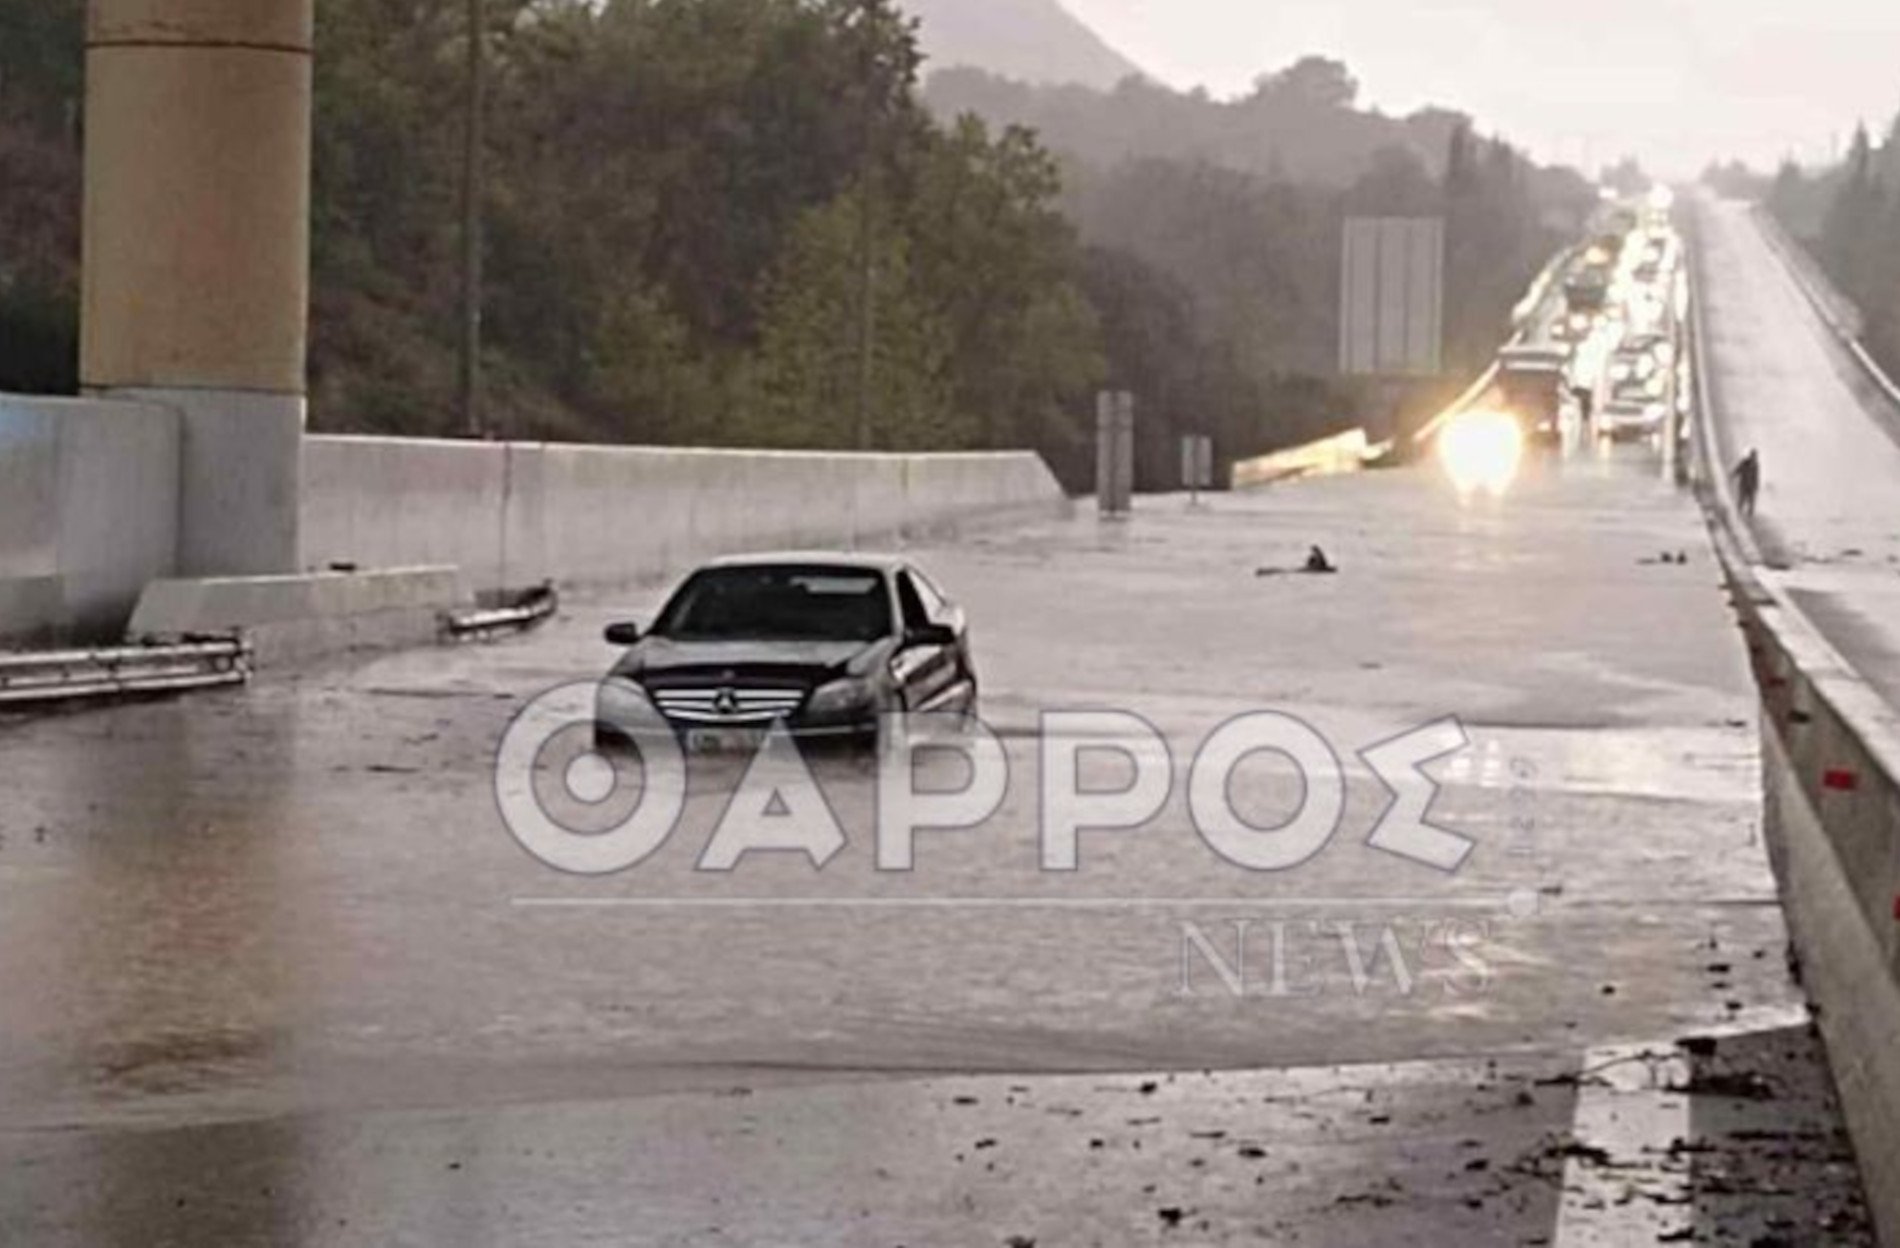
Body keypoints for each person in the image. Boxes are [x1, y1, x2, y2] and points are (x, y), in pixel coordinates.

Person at [1732, 450, 1761, 518]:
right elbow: (1738, 470)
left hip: (1751, 486)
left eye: (1755, 456)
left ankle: (1750, 515)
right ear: (1750, 456)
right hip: (1744, 485)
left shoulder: (1756, 465)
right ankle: (1737, 513)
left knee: (1751, 501)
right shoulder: (1744, 463)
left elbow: (1756, 476)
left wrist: (1756, 485)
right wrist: (1732, 475)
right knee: (1742, 499)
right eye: (1753, 456)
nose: (1754, 458)